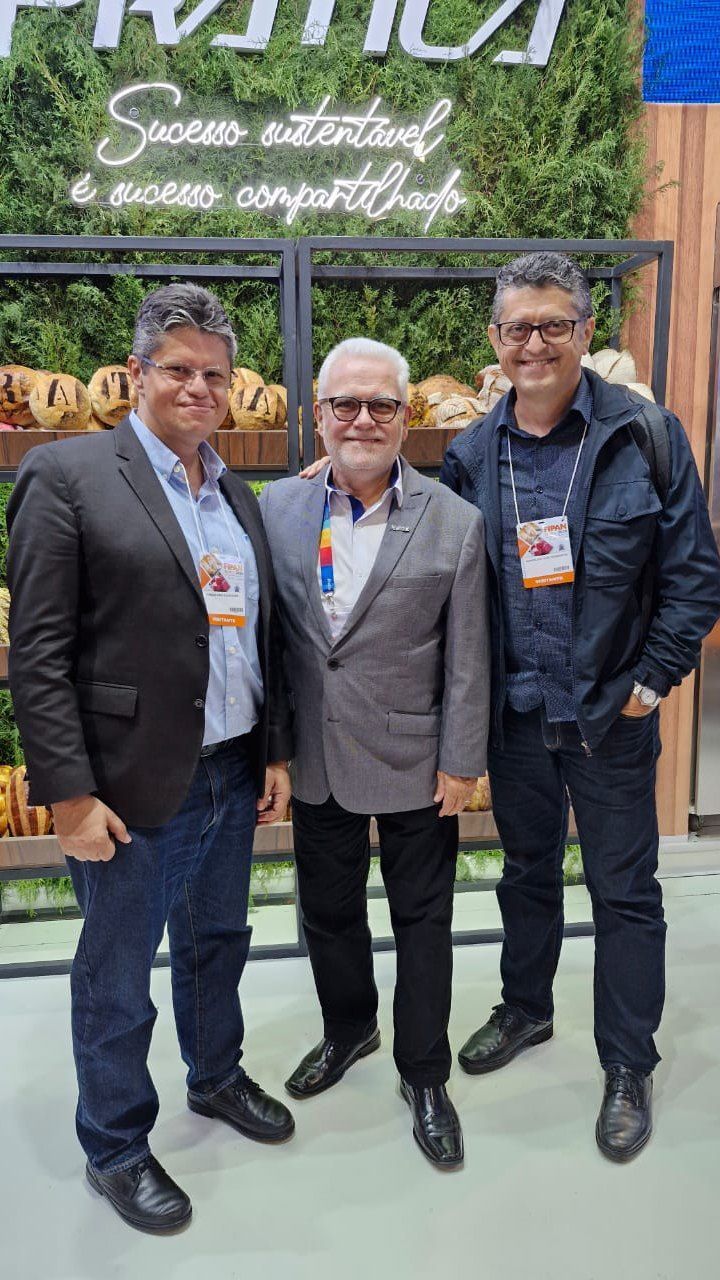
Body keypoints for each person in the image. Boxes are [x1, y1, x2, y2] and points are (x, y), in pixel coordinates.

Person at [7, 284, 295, 1232]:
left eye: (216, 374)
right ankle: (117, 1143)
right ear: (139, 374)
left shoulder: (236, 492)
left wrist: (273, 753)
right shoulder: (68, 474)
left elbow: (258, 639)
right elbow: (39, 655)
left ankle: (213, 1078)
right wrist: (72, 797)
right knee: (117, 972)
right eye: (179, 369)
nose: (200, 388)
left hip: (228, 772)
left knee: (219, 943)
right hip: (130, 787)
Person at [440, 251, 720, 1161]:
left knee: (625, 892)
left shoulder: (646, 435)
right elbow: (448, 591)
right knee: (524, 873)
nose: (535, 342)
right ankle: (526, 1008)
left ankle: (627, 1063)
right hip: (516, 718)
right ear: (495, 341)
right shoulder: (472, 454)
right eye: (518, 326)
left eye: (554, 324)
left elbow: (692, 577)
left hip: (609, 719)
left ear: (585, 334)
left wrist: (651, 680)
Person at [259, 338, 489, 1169]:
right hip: (316, 757)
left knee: (422, 923)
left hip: (416, 761)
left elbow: (469, 657)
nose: (363, 419)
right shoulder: (275, 510)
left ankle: (424, 1073)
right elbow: (272, 648)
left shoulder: (455, 523)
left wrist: (462, 763)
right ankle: (350, 1028)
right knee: (326, 912)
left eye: (381, 405)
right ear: (318, 415)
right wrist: (273, 753)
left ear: (406, 418)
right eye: (345, 404)